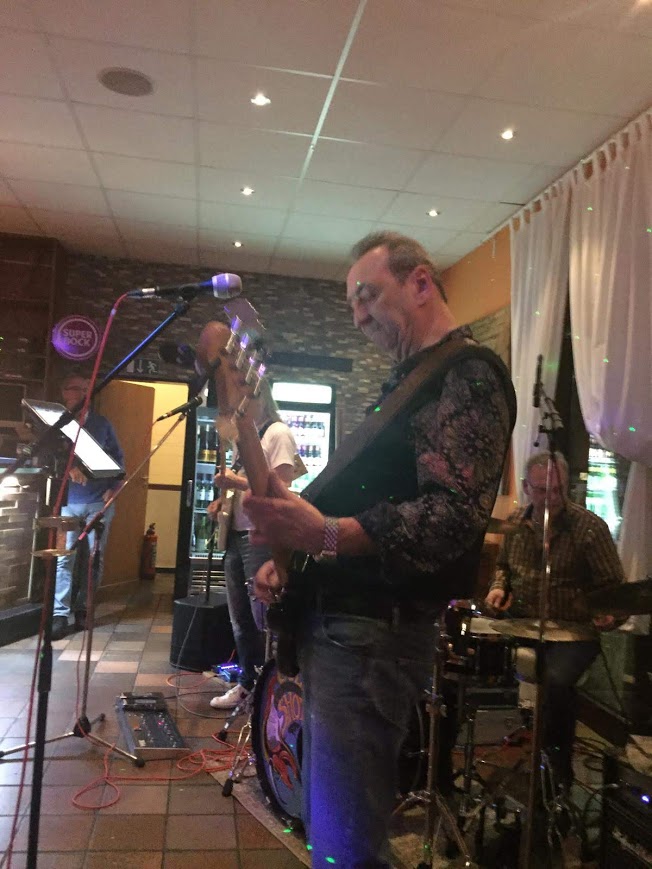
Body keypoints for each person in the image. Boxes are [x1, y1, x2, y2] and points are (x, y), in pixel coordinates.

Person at [241, 231, 517, 866]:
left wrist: (324, 534)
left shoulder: (468, 373)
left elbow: (453, 518)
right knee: (337, 823)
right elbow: (361, 502)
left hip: (371, 637)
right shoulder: (407, 382)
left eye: (367, 295)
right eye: (351, 304)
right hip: (345, 631)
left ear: (420, 283)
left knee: (343, 837)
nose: (358, 315)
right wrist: (293, 554)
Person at [485, 450, 624, 789]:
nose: (552, 498)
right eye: (542, 491)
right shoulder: (515, 523)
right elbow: (503, 568)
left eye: (558, 490)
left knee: (557, 681)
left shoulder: (590, 529)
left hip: (573, 633)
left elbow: (615, 591)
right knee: (465, 657)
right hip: (522, 624)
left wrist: (610, 614)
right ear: (526, 488)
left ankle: (556, 774)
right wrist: (498, 587)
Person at [207, 379, 298, 709]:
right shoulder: (246, 437)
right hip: (237, 533)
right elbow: (247, 487)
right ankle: (248, 685)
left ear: (258, 398)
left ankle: (271, 693)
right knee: (241, 619)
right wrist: (223, 501)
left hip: (258, 536)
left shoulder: (277, 433)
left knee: (263, 618)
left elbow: (281, 487)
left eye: (241, 400)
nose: (236, 407)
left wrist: (234, 481)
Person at [52, 371, 124, 641]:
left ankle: (84, 609)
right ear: (64, 393)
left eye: (86, 389)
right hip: (68, 503)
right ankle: (60, 614)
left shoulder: (102, 424)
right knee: (64, 558)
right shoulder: (58, 424)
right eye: (76, 388)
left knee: (94, 559)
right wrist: (70, 467)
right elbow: (52, 456)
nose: (83, 394)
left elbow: (119, 459)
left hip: (98, 503)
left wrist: (114, 489)